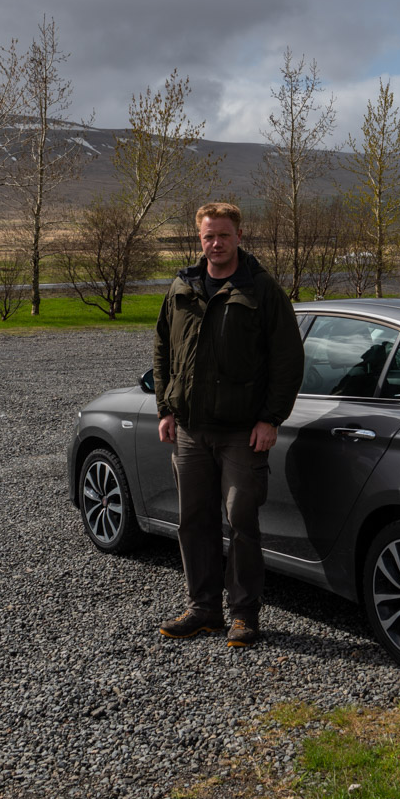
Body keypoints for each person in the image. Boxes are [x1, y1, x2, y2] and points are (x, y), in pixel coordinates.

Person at [152, 202, 304, 648]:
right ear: (199, 238)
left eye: (222, 235)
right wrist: (165, 408)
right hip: (190, 429)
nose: (215, 243)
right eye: (207, 236)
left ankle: (243, 615)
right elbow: (162, 347)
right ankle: (203, 609)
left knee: (242, 522)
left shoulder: (261, 290)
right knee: (193, 521)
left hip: (242, 432)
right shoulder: (183, 285)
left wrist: (270, 418)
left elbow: (287, 361)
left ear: (239, 236)